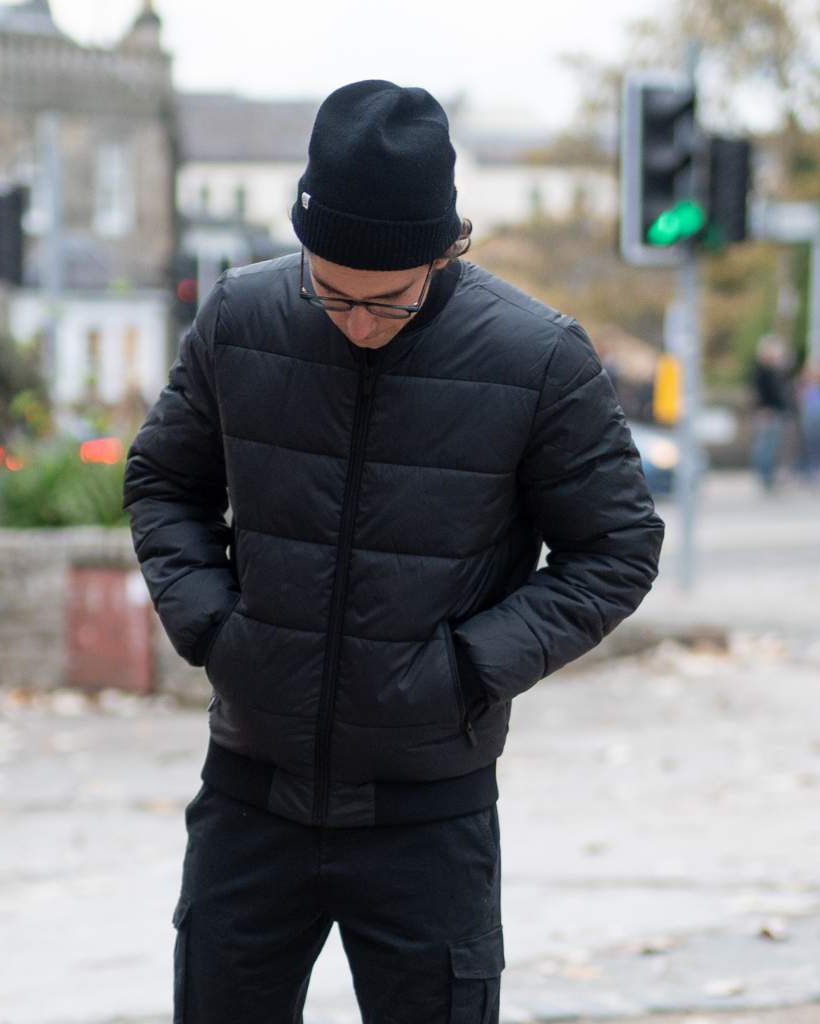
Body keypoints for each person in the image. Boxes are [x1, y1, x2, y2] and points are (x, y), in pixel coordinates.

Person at [123, 80, 664, 1024]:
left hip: (429, 819)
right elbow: (164, 481)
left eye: (389, 301)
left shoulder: (538, 359)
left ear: (445, 251)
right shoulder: (240, 318)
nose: (357, 320)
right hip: (249, 799)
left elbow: (617, 548)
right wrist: (215, 627)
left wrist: (465, 669)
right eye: (329, 291)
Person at [750, 334, 790, 492]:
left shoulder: (774, 371)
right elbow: (759, 392)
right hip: (767, 412)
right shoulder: (761, 371)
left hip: (775, 412)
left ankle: (769, 476)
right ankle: (765, 477)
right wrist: (763, 409)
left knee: (772, 447)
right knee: (765, 447)